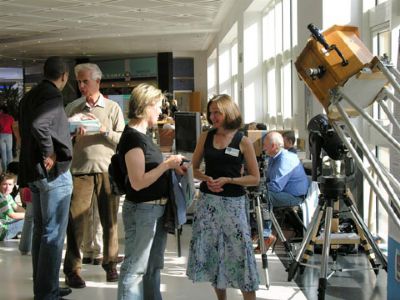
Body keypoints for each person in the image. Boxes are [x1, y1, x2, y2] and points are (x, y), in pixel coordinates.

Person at [186, 94, 260, 300]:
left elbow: (255, 178)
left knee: (240, 253)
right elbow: (193, 168)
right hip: (208, 203)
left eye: (217, 112)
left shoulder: (243, 141)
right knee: (213, 253)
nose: (213, 116)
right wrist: (207, 178)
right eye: (211, 112)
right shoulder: (206, 137)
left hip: (234, 204)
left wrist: (229, 180)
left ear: (228, 112)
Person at [117, 83, 186, 300]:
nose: (160, 111)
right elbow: (138, 182)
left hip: (155, 209)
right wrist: (166, 165)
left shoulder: (142, 136)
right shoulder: (132, 138)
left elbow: (146, 166)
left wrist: (170, 164)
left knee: (152, 267)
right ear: (146, 106)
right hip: (143, 210)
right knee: (135, 267)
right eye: (157, 106)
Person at [63, 63, 125, 288]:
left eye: (85, 81)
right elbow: (60, 140)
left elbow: (122, 139)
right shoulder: (72, 107)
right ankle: (72, 270)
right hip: (79, 171)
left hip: (107, 170)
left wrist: (103, 130)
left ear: (97, 82)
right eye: (78, 81)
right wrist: (71, 135)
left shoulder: (112, 108)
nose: (81, 86)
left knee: (110, 222)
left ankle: (110, 264)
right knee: (75, 223)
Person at [18, 56, 73, 300]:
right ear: (64, 76)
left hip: (33, 171)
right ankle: (47, 292)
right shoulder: (53, 95)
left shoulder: (30, 95)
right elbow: (41, 125)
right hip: (52, 174)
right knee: (53, 234)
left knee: (42, 230)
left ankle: (44, 287)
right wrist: (49, 151)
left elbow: (33, 125)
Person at [258, 131, 309, 252]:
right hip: (282, 192)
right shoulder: (273, 158)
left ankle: (266, 234)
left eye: (265, 145)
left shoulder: (285, 159)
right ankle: (259, 231)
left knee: (263, 197)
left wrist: (257, 186)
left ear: (274, 146)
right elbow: (268, 179)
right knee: (258, 195)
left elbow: (275, 186)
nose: (263, 148)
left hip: (294, 197)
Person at [0, 172, 25, 241]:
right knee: (30, 220)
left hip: (5, 224)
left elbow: (17, 207)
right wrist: (29, 215)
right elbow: (12, 215)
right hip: (3, 232)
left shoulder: (7, 195)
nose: (7, 187)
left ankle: (19, 233)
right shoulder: (1, 198)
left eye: (10, 184)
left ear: (14, 185)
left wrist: (27, 212)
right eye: (4, 184)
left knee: (27, 218)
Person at [0, 106, 15, 171]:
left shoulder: (0, 116)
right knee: (9, 151)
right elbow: (13, 126)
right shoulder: (10, 117)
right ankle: (10, 169)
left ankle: (4, 170)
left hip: (1, 135)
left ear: (2, 110)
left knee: (3, 152)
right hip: (9, 135)